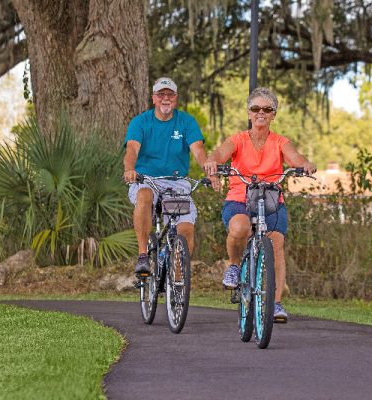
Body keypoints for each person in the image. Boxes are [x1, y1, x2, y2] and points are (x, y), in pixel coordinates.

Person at [203, 87, 316, 323]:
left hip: (272, 200)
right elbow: (220, 153)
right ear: (249, 112)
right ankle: (234, 266)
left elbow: (295, 158)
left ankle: (275, 304)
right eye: (255, 109)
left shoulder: (280, 142)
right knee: (240, 228)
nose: (260, 113)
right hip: (240, 198)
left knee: (276, 244)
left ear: (273, 114)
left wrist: (305, 163)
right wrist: (213, 161)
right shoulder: (238, 140)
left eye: (267, 109)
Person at [123, 77, 208, 275]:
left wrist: (209, 171)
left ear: (176, 98)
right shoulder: (141, 122)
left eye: (170, 94)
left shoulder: (186, 121)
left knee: (185, 229)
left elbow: (199, 151)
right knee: (144, 195)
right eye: (161, 94)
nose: (165, 98)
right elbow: (131, 150)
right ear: (154, 98)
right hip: (146, 179)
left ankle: (177, 282)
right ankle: (143, 256)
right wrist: (130, 169)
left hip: (177, 182)